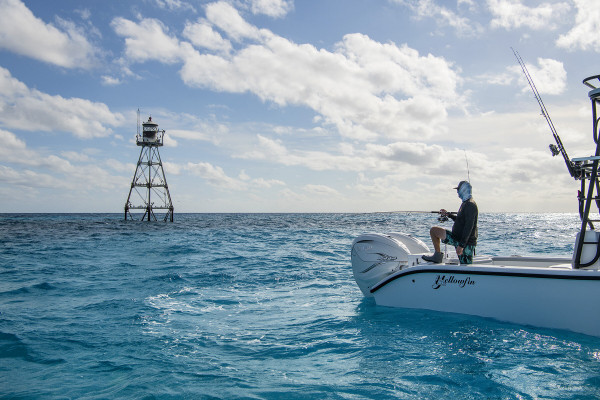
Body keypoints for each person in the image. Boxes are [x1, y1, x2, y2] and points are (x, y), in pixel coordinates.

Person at [422, 181, 478, 264]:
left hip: (466, 243)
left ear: (464, 190)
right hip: (456, 238)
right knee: (434, 231)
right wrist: (448, 214)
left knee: (466, 265)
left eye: (458, 189)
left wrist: (461, 245)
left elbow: (469, 226)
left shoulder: (470, 205)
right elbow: (460, 220)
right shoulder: (465, 203)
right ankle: (437, 256)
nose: (457, 192)